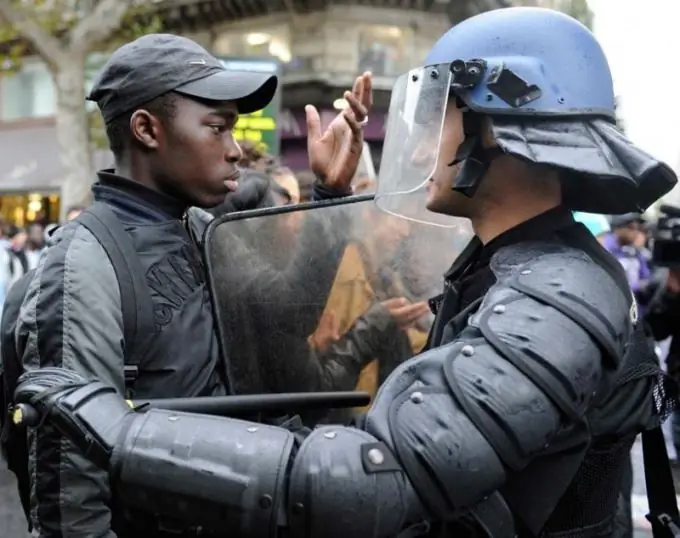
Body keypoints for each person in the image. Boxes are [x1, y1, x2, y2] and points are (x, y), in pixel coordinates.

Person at [11, 8, 679, 538]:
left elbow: (379, 479)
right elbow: (274, 350)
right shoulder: (505, 265)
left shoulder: (554, 288)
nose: (420, 142)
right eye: (217, 125)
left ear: (494, 134)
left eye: (438, 116)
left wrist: (121, 430)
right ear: (147, 129)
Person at [10, 33, 371, 537]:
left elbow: (284, 323)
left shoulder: (202, 227)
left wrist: (330, 196)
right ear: (146, 129)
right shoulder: (84, 263)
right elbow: (70, 484)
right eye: (217, 128)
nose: (234, 151)